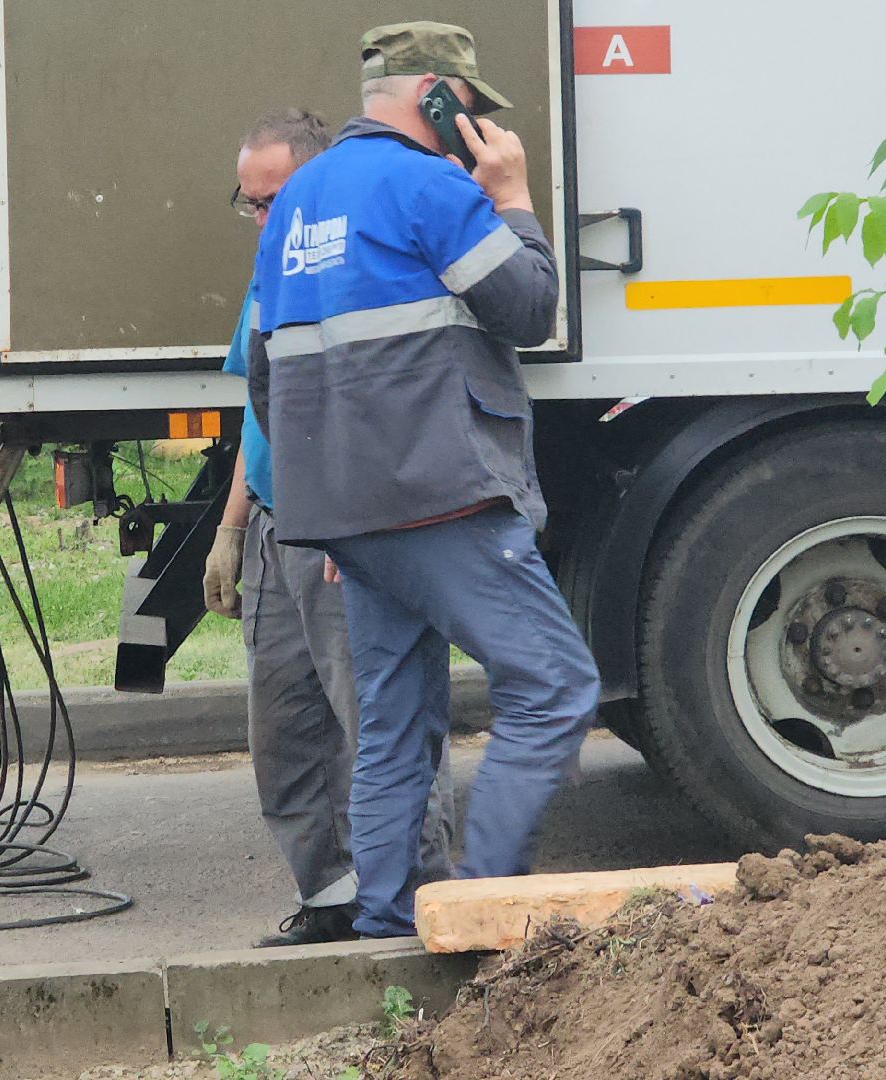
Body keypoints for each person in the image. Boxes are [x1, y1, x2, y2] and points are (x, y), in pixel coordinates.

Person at [246, 23, 600, 939]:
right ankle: (488, 906)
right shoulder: (430, 183)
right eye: (470, 107)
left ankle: (389, 920)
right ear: (436, 93)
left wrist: (329, 517)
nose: (474, 124)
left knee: (396, 720)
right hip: (441, 494)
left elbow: (263, 370)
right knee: (553, 685)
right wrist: (514, 197)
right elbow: (525, 306)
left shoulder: (293, 205)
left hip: (346, 516)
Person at [204, 108, 456, 948]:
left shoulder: (353, 267)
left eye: (274, 199)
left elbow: (386, 413)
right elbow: (261, 412)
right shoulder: (267, 273)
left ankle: (421, 906)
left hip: (344, 534)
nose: (263, 219)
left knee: (381, 726)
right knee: (287, 736)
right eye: (249, 203)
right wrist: (231, 529)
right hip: (282, 528)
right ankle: (333, 896)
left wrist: (360, 528)